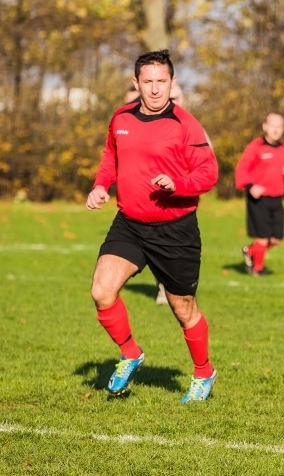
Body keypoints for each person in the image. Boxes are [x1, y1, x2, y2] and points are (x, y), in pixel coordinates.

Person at [87, 49, 219, 403]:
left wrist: (178, 184)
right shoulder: (121, 117)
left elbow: (208, 173)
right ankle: (130, 353)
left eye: (162, 81)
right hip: (129, 224)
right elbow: (111, 155)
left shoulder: (185, 125)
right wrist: (101, 185)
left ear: (173, 83)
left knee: (183, 309)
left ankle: (204, 374)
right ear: (136, 83)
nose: (156, 89)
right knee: (102, 290)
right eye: (149, 82)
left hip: (175, 230)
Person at [125, 83, 188, 305]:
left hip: (180, 205)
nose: (174, 101)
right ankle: (163, 287)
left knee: (174, 254)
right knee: (154, 248)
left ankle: (176, 289)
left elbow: (205, 166)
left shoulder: (189, 125)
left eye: (177, 97)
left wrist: (182, 183)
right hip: (151, 200)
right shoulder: (144, 122)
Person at [235, 112, 284, 276]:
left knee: (276, 239)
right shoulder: (256, 146)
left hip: (277, 197)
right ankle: (257, 269)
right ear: (265, 126)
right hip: (258, 198)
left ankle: (250, 251)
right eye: (272, 125)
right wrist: (250, 185)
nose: (276, 130)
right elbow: (242, 168)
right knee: (262, 237)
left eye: (279, 126)